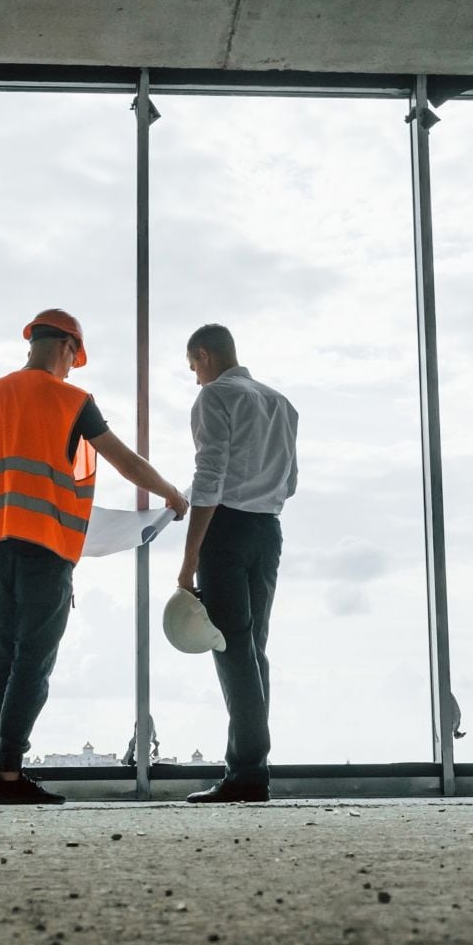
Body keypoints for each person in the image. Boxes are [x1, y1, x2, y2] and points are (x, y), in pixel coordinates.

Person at [0, 309, 188, 805]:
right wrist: (171, 493)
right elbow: (124, 460)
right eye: (74, 358)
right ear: (67, 347)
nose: (72, 367)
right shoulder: (72, 400)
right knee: (32, 662)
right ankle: (8, 776)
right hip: (45, 548)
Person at [176, 323, 298, 803]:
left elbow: (210, 478)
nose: (195, 379)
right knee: (253, 650)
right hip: (268, 532)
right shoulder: (280, 403)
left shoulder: (214, 398)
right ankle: (251, 767)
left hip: (225, 531)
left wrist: (188, 563)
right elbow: (289, 483)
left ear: (203, 355)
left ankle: (247, 773)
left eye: (192, 368)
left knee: (231, 650)